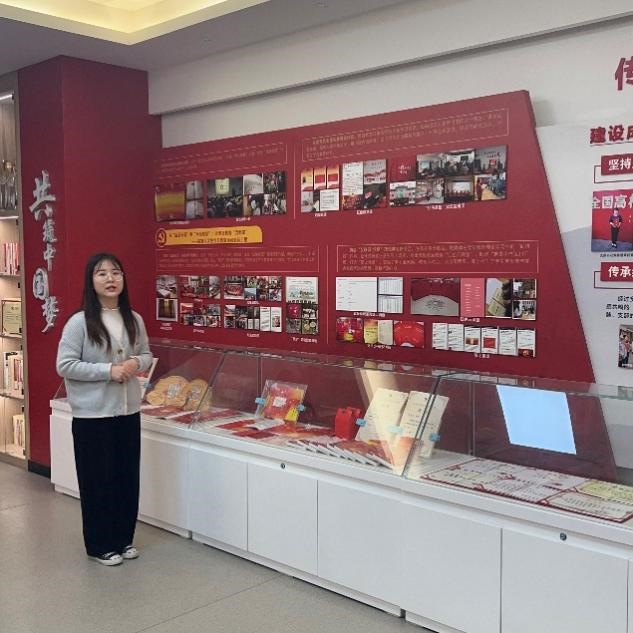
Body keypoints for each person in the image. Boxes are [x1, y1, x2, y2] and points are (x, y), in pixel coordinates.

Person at [56, 253, 153, 566]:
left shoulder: (133, 319)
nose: (110, 279)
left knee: (127, 477)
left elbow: (146, 354)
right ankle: (100, 545)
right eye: (102, 273)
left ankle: (124, 538)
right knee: (97, 480)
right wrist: (108, 371)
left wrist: (134, 363)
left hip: (128, 412)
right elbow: (65, 365)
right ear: (91, 281)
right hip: (92, 416)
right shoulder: (79, 322)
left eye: (116, 272)